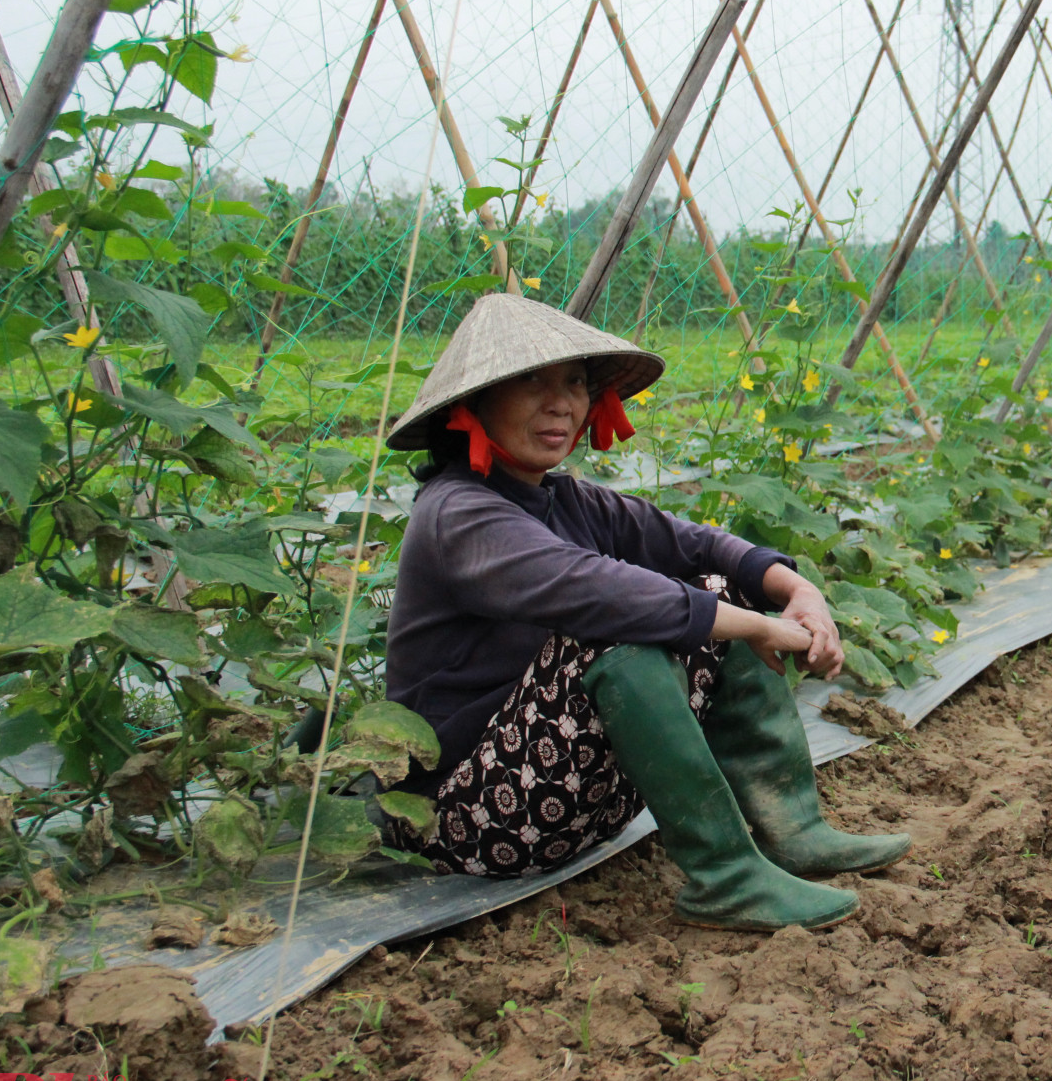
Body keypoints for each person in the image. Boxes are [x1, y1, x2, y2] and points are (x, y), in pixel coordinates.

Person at [379, 293, 910, 932]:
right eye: (530, 382)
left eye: (574, 383)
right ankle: (727, 880)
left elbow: (697, 543)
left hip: (556, 796)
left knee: (717, 586)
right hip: (467, 819)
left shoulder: (566, 499)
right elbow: (597, 591)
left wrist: (798, 593)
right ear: (472, 405)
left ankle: (794, 829)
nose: (561, 403)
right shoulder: (457, 512)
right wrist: (761, 626)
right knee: (614, 634)